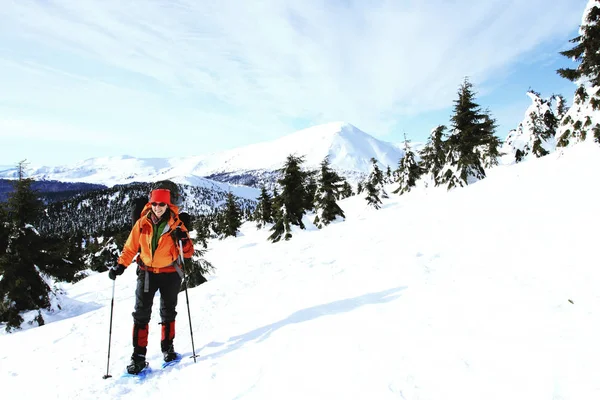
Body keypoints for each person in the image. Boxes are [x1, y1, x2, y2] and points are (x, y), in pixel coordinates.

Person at [109, 188, 194, 374]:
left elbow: (188, 252)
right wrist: (120, 265)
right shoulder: (142, 223)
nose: (158, 208)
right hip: (147, 273)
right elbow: (130, 247)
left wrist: (184, 239)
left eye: (161, 204)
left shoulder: (176, 224)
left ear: (168, 205)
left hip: (170, 273)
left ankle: (168, 348)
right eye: (155, 204)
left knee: (168, 311)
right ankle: (138, 356)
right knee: (141, 314)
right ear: (151, 204)